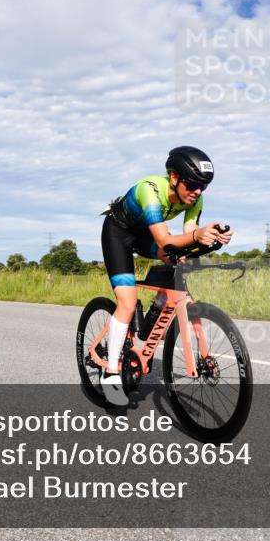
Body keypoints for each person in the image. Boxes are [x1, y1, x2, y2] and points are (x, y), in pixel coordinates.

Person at [99, 146, 233, 406]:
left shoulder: (196, 199)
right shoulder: (150, 191)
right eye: (193, 184)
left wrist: (211, 239)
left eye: (203, 187)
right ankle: (111, 372)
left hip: (145, 234)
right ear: (174, 178)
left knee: (178, 260)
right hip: (118, 234)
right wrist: (195, 236)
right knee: (126, 302)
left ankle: (151, 321)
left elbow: (189, 235)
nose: (197, 192)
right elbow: (163, 238)